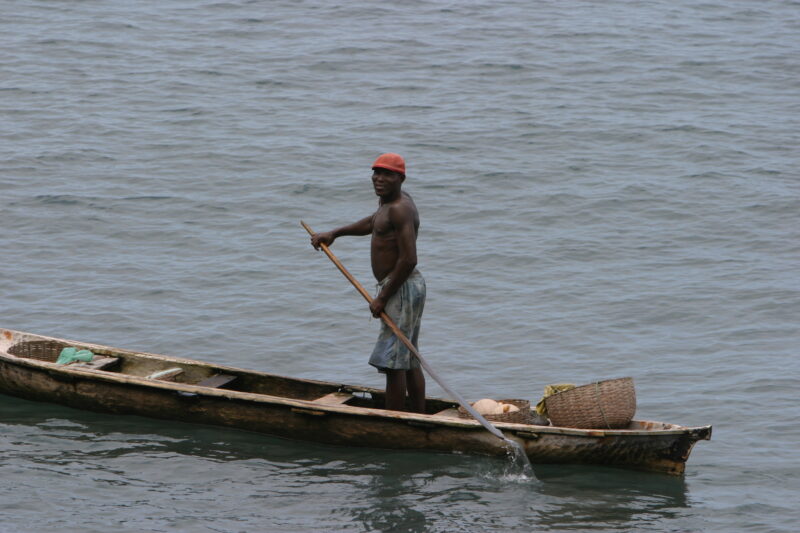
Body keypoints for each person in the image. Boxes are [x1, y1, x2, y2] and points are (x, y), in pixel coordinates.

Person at [310, 153, 426, 413]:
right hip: (402, 287)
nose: (379, 178)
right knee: (408, 357)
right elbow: (374, 224)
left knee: (394, 362)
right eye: (376, 172)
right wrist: (335, 233)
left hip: (402, 288)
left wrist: (383, 297)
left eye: (387, 174)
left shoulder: (400, 208)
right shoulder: (388, 204)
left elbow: (409, 260)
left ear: (401, 179)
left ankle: (394, 420)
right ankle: (419, 416)